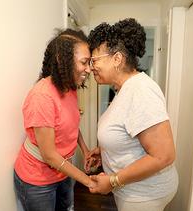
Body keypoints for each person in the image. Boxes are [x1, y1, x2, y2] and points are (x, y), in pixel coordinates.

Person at [86, 18, 178, 211]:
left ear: (117, 59)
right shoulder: (125, 90)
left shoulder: (140, 91)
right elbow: (130, 136)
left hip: (143, 195)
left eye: (94, 60)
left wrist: (112, 181)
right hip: (134, 190)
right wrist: (106, 152)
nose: (90, 67)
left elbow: (164, 156)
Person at [13, 28, 95, 211]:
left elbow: (71, 125)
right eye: (84, 62)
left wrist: (85, 149)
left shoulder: (70, 87)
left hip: (63, 172)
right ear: (62, 60)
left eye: (89, 62)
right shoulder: (42, 96)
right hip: (38, 181)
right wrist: (88, 181)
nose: (89, 69)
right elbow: (49, 155)